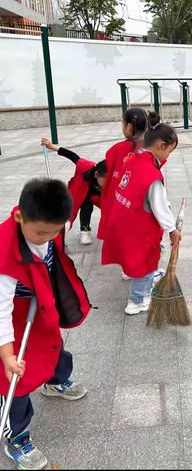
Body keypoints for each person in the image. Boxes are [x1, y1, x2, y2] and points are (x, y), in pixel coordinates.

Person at [0, 179, 91, 470]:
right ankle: (16, 437)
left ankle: (55, 382)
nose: (46, 238)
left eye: (53, 232)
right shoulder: (4, 257)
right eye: (40, 233)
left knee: (54, 349)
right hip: (12, 321)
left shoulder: (48, 227)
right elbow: (0, 310)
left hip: (40, 309)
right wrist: (7, 354)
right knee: (15, 380)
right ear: (19, 217)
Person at [101, 113, 181, 315]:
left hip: (124, 223)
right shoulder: (152, 175)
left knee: (136, 260)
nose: (167, 157)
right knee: (145, 261)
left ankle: (145, 277)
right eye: (169, 152)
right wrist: (172, 230)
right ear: (161, 145)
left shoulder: (133, 160)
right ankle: (137, 301)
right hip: (140, 229)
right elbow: (159, 206)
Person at [40, 138, 106, 246]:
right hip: (79, 190)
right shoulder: (86, 166)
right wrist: (51, 146)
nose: (106, 184)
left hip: (97, 195)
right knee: (77, 210)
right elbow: (71, 155)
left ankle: (100, 231)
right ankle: (62, 235)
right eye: (104, 181)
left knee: (110, 210)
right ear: (96, 175)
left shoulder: (111, 177)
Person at [97, 107, 149, 241]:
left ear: (129, 126)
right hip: (141, 195)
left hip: (120, 195)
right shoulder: (148, 147)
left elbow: (109, 162)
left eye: (123, 123)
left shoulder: (117, 149)